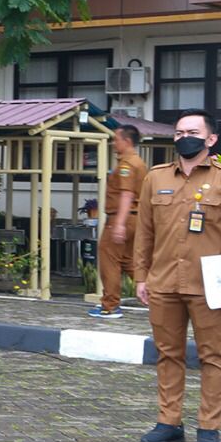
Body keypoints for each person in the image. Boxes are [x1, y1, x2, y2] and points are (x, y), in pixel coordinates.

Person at [133, 109, 221, 442]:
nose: (185, 137)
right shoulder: (155, 178)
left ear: (211, 139)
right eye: (180, 131)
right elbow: (145, 233)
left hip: (209, 285)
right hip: (164, 281)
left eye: (193, 131)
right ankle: (169, 422)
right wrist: (141, 276)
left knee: (212, 356)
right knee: (168, 355)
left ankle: (209, 427)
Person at [89, 124, 147, 319]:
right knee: (129, 261)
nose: (114, 143)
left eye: (117, 139)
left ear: (127, 141)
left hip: (122, 217)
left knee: (109, 260)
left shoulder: (127, 165)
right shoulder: (139, 162)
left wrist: (119, 223)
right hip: (135, 218)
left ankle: (110, 305)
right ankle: (157, 297)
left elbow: (127, 194)